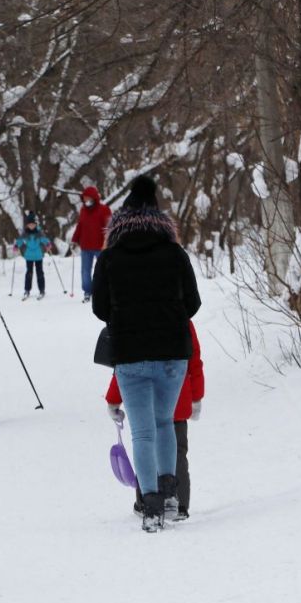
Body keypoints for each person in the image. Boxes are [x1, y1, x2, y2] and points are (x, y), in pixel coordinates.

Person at [92, 175, 201, 532]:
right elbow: (193, 303)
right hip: (172, 352)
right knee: (165, 423)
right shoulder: (174, 252)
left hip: (130, 353)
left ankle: (150, 504)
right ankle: (170, 495)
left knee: (142, 432)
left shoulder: (110, 257)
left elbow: (100, 307)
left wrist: (126, 317)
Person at [106, 319, 204, 520]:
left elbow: (123, 367)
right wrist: (196, 396)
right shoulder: (182, 320)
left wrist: (113, 399)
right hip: (177, 400)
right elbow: (194, 360)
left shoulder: (134, 321)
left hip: (147, 406)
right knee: (177, 454)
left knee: (146, 444)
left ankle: (146, 502)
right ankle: (180, 503)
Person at [71, 185, 112, 302]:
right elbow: (80, 226)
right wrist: (74, 239)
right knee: (85, 270)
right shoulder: (83, 210)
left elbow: (109, 227)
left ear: (94, 198)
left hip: (101, 246)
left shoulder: (104, 209)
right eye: (84, 198)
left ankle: (104, 290)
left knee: (102, 270)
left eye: (88, 198)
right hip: (85, 246)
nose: (86, 201)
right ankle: (87, 291)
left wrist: (108, 241)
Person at [15, 212, 52, 300]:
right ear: (27, 225)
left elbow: (45, 240)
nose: (31, 226)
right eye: (29, 224)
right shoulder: (25, 233)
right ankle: (27, 290)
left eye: (33, 224)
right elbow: (19, 241)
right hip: (29, 256)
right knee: (29, 273)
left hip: (38, 255)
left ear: (35, 224)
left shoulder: (39, 232)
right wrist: (16, 246)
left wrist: (48, 245)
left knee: (40, 273)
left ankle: (42, 290)